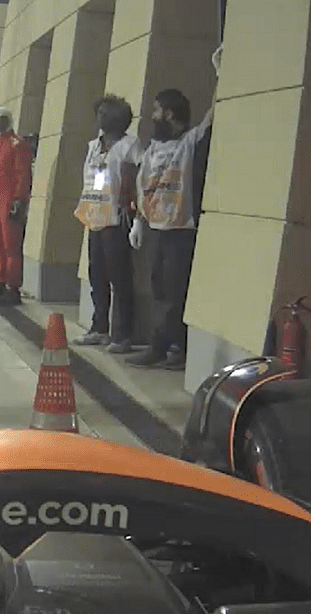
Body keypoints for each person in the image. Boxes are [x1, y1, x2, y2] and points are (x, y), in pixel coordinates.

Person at [126, 45, 222, 372]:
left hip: (181, 229)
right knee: (160, 288)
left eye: (156, 110)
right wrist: (139, 221)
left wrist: (221, 75)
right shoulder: (153, 148)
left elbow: (213, 118)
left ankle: (162, 347)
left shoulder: (189, 142)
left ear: (169, 114)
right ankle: (172, 346)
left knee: (173, 291)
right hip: (156, 228)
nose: (152, 115)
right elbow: (144, 186)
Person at [73, 95, 143, 354]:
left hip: (117, 219)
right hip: (95, 216)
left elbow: (137, 181)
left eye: (105, 113)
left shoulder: (129, 145)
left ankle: (123, 334)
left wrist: (136, 215)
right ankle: (99, 327)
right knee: (97, 274)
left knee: (120, 277)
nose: (99, 117)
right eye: (99, 112)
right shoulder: (94, 146)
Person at [0, 107, 33, 306]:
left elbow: (23, 174)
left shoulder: (17, 144)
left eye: (2, 119)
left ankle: (13, 287)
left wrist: (19, 199)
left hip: (10, 201)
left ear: (9, 120)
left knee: (11, 245)